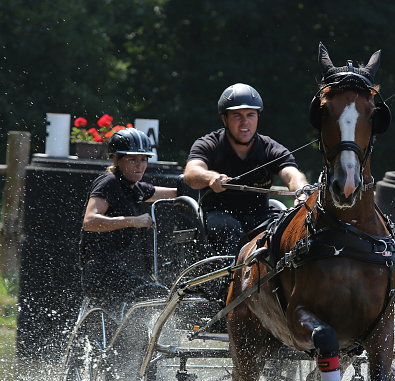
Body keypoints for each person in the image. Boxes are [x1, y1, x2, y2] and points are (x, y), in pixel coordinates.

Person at [183, 83, 308, 256]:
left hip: (260, 216)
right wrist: (211, 178)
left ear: (257, 118)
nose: (245, 122)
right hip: (219, 216)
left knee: (282, 228)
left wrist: (302, 192)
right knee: (227, 227)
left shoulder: (270, 147)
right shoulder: (208, 144)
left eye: (251, 115)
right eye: (237, 116)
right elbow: (191, 173)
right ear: (224, 119)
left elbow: (291, 174)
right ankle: (234, 280)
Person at [79, 128, 177, 303]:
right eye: (132, 160)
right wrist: (133, 221)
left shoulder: (135, 188)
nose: (140, 165)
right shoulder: (109, 182)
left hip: (114, 270)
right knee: (154, 296)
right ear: (116, 160)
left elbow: (175, 193)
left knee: (158, 294)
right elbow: (90, 221)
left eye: (143, 159)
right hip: (98, 273)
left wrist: (209, 184)